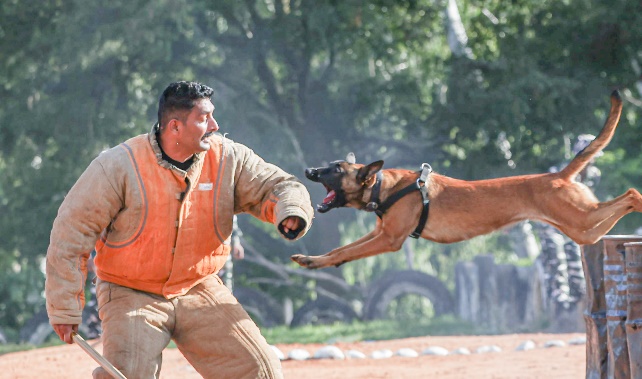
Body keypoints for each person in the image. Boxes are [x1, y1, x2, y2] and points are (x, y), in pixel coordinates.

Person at [45, 81, 314, 379]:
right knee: (129, 375)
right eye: (204, 118)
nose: (215, 124)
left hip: (198, 285)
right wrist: (64, 307)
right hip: (130, 291)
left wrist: (290, 210)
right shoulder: (118, 165)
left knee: (261, 369)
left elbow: (278, 186)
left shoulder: (228, 157)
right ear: (175, 126)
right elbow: (71, 232)